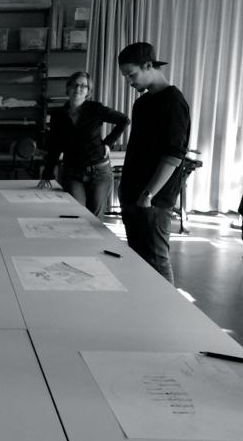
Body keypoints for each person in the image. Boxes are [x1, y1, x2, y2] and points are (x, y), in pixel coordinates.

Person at [117, 42, 190, 285]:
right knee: (137, 259)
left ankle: (167, 307)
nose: (129, 82)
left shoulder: (173, 102)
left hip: (154, 200)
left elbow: (173, 156)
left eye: (132, 75)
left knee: (157, 260)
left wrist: (149, 194)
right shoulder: (142, 103)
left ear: (149, 65)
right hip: (132, 193)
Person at [37, 71, 129, 217]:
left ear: (88, 91)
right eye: (74, 85)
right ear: (68, 88)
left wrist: (108, 143)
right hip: (72, 172)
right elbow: (55, 145)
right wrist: (47, 173)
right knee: (76, 214)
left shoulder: (95, 109)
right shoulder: (58, 115)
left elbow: (124, 120)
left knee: (94, 217)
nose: (78, 88)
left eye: (83, 86)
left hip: (99, 171)